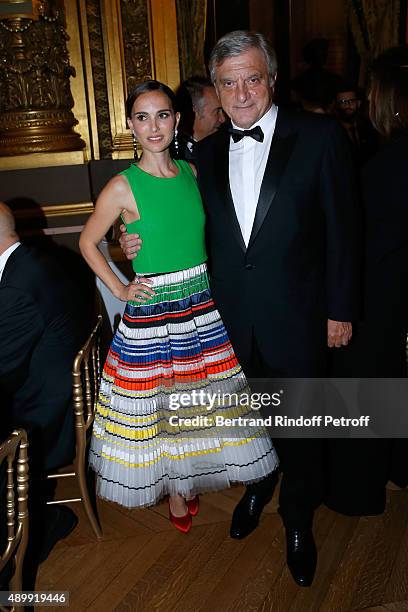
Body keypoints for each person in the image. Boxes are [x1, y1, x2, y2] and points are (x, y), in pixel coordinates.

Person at [119, 31, 359, 586]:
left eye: (252, 78)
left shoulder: (320, 136)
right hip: (222, 322)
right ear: (217, 90)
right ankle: (258, 485)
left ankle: (298, 521)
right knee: (246, 425)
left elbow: (345, 230)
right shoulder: (199, 155)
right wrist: (129, 245)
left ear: (271, 78)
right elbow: (169, 221)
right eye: (229, 82)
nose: (242, 92)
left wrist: (340, 308)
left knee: (302, 428)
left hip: (299, 316)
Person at [79, 80, 278, 535]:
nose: (154, 126)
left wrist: (125, 245)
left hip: (202, 303)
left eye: (163, 115)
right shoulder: (121, 186)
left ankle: (187, 475)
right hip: (155, 310)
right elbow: (88, 241)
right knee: (162, 402)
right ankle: (173, 487)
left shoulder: (191, 172)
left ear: (177, 120)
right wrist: (121, 286)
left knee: (197, 399)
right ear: (130, 124)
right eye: (143, 117)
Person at [329, 46, 408, 513]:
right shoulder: (386, 158)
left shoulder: (390, 164)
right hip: (391, 291)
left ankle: (357, 491)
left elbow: (360, 240)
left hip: (381, 296)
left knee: (366, 389)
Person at [0, 202, 81, 585]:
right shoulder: (29, 262)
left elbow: (4, 370)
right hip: (49, 387)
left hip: (41, 412)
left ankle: (31, 533)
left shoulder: (19, 283)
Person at [173, 75, 226, 160]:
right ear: (194, 112)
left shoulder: (226, 148)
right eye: (217, 111)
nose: (223, 119)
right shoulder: (172, 156)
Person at [335, 82, 378, 165]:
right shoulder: (334, 132)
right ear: (336, 105)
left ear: (358, 103)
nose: (348, 105)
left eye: (351, 101)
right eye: (343, 101)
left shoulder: (368, 128)